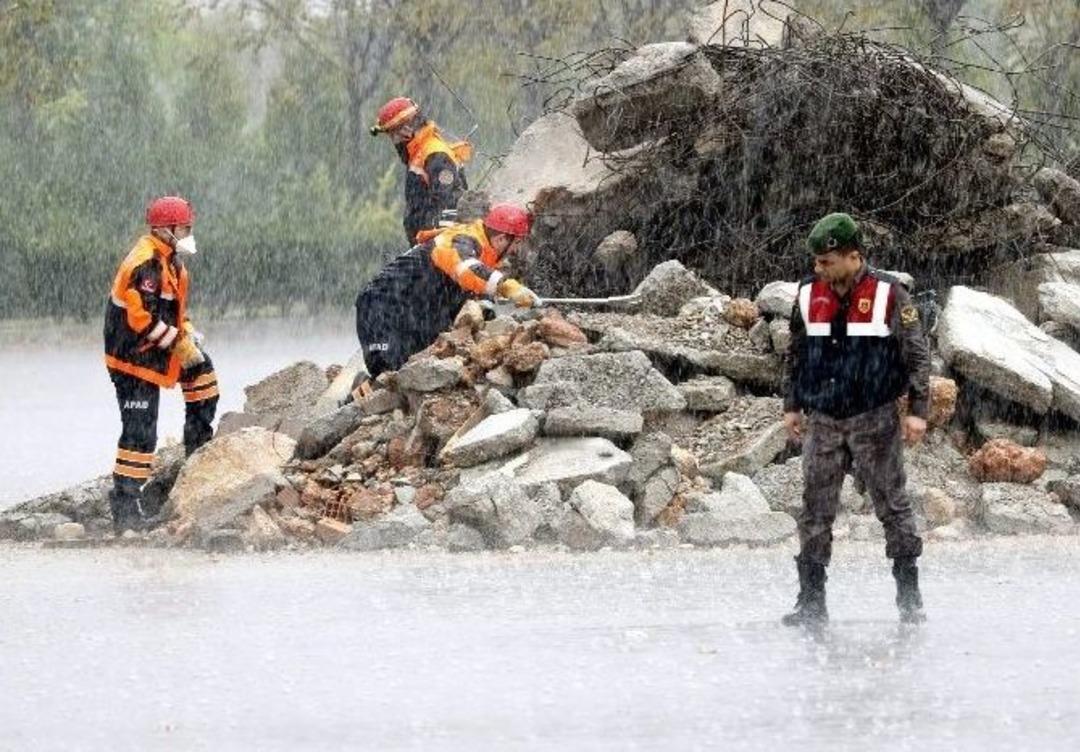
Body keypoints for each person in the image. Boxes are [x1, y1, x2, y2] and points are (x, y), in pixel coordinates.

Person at [781, 212, 930, 626]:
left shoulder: (889, 293)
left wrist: (918, 411)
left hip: (875, 417)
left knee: (893, 506)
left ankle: (909, 598)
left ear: (853, 257)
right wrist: (791, 404)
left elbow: (917, 355)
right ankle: (811, 602)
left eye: (826, 262)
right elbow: (794, 352)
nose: (818, 269)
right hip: (824, 418)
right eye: (816, 262)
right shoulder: (808, 293)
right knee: (815, 509)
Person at [103, 196, 219, 533]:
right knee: (140, 432)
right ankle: (125, 507)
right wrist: (179, 344)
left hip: (155, 347)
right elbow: (141, 319)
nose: (189, 232)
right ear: (165, 229)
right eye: (185, 227)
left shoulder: (171, 262)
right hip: (132, 358)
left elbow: (170, 313)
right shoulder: (147, 263)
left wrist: (187, 333)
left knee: (203, 379)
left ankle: (198, 452)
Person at [352, 203, 537, 396]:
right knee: (390, 376)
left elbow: (475, 292)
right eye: (516, 243)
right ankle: (354, 404)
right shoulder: (461, 242)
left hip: (413, 312)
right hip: (382, 308)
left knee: (416, 371)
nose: (516, 250)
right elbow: (466, 269)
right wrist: (508, 287)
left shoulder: (480, 251)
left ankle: (369, 393)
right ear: (500, 239)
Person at [370, 96, 472, 245]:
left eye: (392, 135)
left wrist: (435, 247)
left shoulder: (435, 155)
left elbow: (450, 205)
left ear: (405, 129)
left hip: (439, 249)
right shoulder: (418, 154)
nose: (393, 141)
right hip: (426, 246)